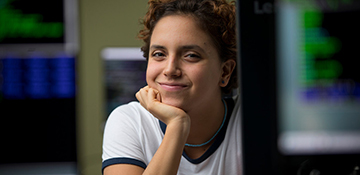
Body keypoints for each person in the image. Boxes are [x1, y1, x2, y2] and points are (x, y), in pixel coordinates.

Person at [102, 0, 241, 174]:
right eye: (159, 54)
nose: (170, 70)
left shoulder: (254, 119)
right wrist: (177, 125)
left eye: (191, 56)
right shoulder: (130, 122)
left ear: (225, 71)